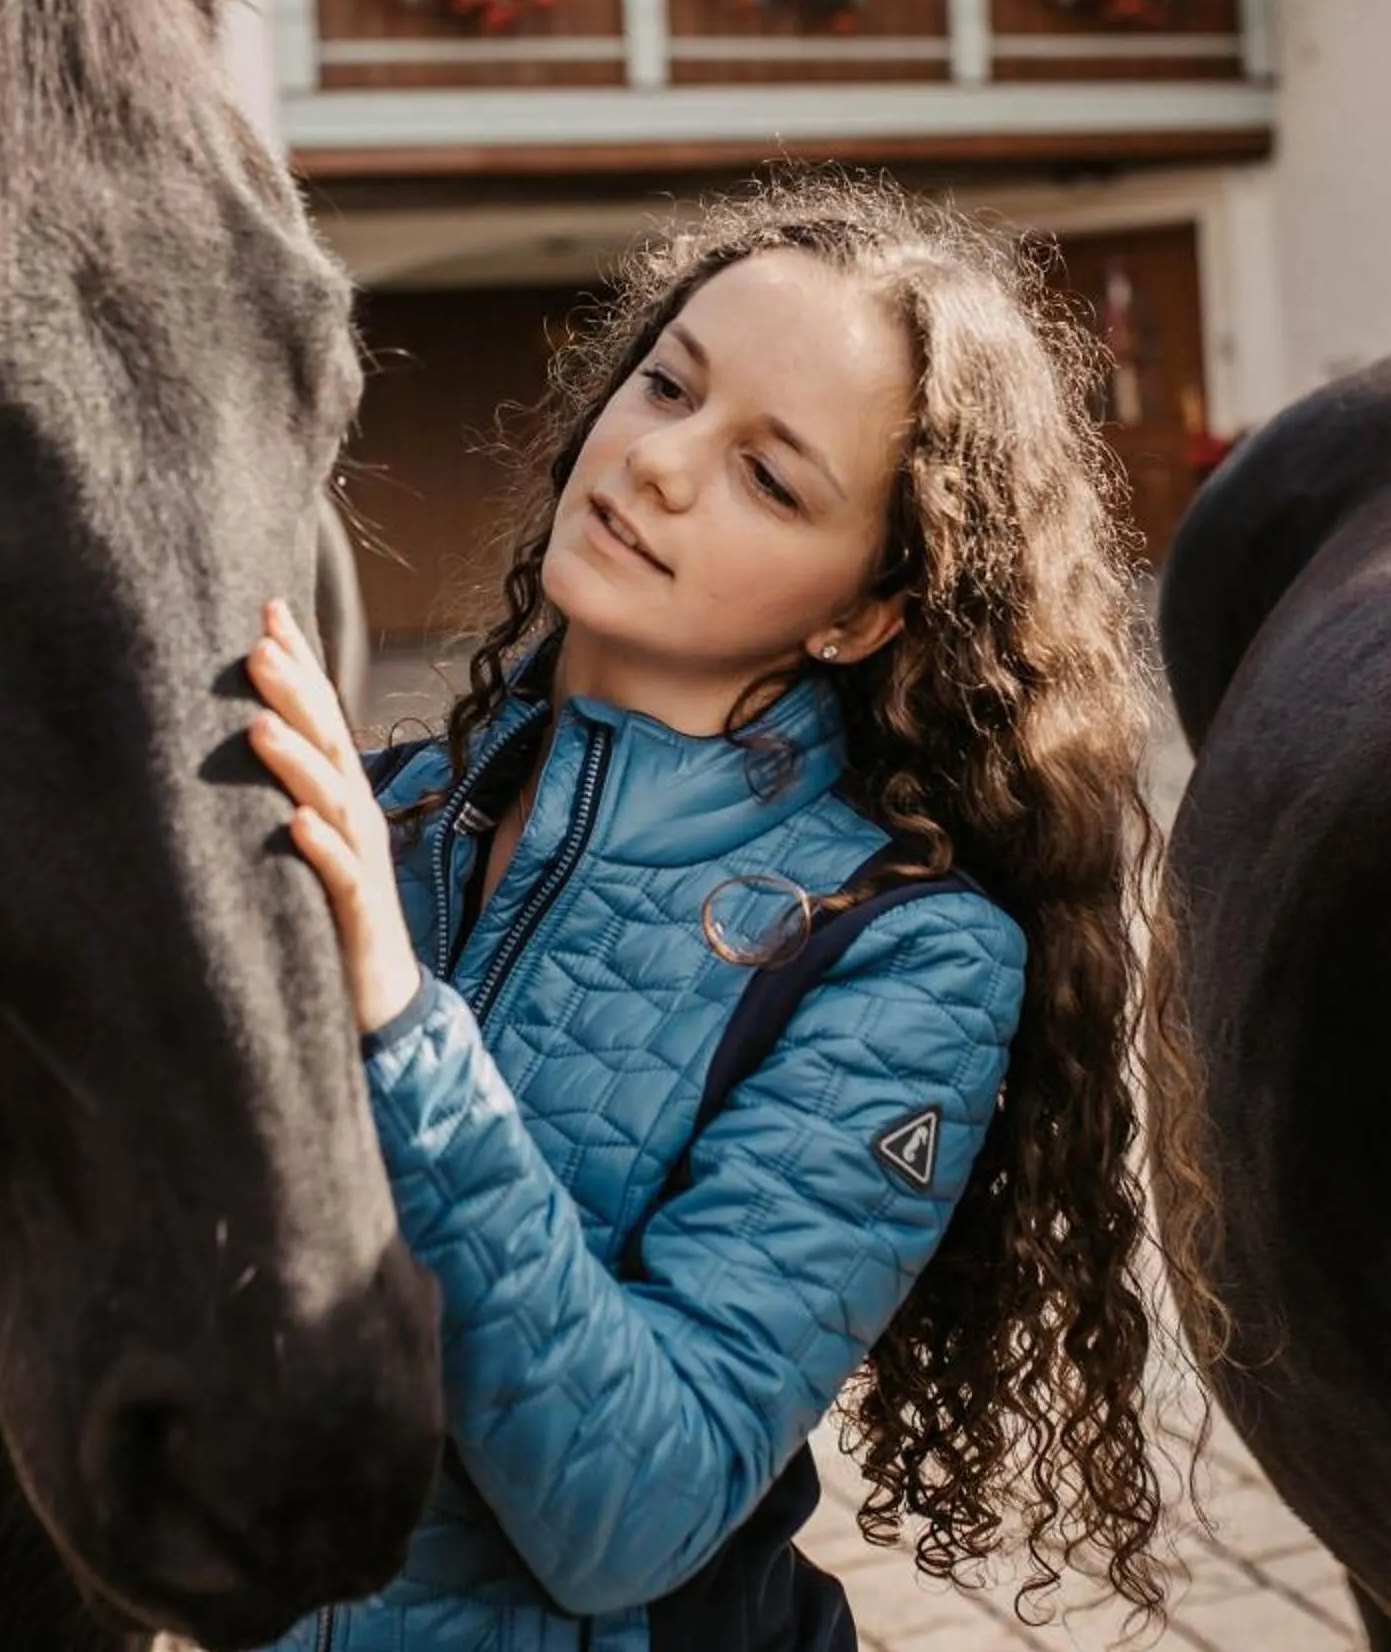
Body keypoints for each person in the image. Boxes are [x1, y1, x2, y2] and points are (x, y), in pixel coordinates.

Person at [233, 168, 1223, 1649]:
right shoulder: (382, 821)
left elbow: (633, 1514)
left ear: (863, 611)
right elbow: (183, 1380)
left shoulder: (906, 956)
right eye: (666, 387)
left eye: (772, 477)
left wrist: (394, 1021)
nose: (659, 465)